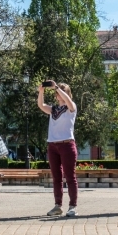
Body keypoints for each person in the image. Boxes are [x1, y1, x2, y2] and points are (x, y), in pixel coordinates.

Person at [38, 79, 79, 217]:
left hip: (67, 144)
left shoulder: (71, 107)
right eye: (57, 92)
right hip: (53, 145)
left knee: (70, 176)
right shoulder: (53, 109)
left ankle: (72, 206)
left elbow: (68, 101)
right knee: (56, 177)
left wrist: (57, 87)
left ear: (67, 93)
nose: (58, 94)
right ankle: (58, 206)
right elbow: (41, 105)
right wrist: (41, 92)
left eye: (62, 91)